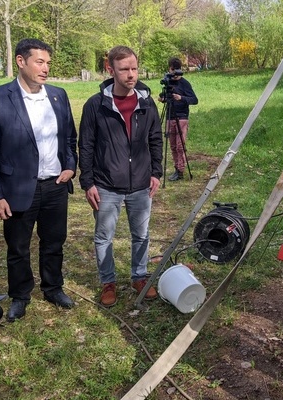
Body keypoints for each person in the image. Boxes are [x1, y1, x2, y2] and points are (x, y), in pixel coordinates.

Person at [0, 39, 78, 322]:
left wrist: (70, 165)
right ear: (21, 62)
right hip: (19, 188)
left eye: (48, 63)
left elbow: (69, 137)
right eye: (39, 62)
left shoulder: (58, 95)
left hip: (55, 185)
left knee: (54, 241)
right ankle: (20, 295)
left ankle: (53, 287)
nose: (45, 69)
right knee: (18, 246)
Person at [79, 45, 163, 307]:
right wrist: (88, 182)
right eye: (124, 69)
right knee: (104, 236)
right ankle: (108, 282)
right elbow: (86, 145)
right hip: (106, 185)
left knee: (142, 234)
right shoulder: (96, 106)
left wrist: (157, 172)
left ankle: (139, 277)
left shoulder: (147, 103)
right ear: (110, 69)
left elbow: (155, 139)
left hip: (140, 183)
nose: (131, 74)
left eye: (134, 68)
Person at [158, 57, 198, 181]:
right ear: (169, 69)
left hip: (182, 117)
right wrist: (163, 99)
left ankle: (180, 170)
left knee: (180, 146)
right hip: (170, 116)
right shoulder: (168, 81)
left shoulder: (185, 83)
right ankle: (176, 168)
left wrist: (181, 98)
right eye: (172, 70)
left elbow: (194, 100)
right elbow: (164, 95)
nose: (174, 73)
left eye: (176, 70)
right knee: (173, 146)